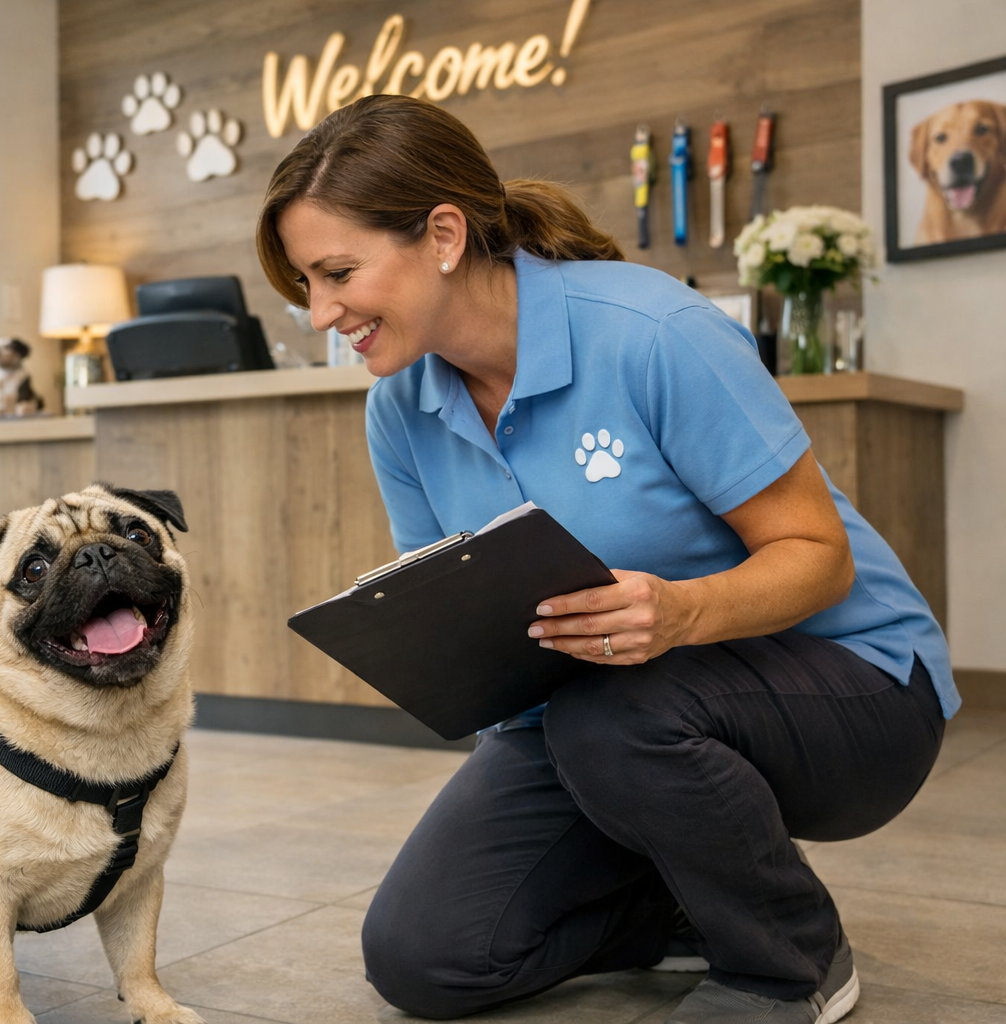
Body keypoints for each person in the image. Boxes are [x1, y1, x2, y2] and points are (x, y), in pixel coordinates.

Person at [255, 94, 955, 1024]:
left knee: (612, 720)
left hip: (856, 692)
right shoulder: (399, 408)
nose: (320, 312)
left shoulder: (655, 334)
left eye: (337, 272)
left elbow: (819, 558)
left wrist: (682, 613)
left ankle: (786, 962)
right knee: (426, 958)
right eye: (305, 284)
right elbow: (471, 612)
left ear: (445, 235)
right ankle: (684, 890)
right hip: (601, 707)